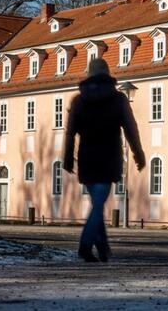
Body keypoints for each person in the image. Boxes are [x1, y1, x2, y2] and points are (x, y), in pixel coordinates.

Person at [64, 58, 146, 263]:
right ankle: (85, 245)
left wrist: (67, 157)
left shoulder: (78, 100)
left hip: (87, 158)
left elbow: (70, 133)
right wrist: (138, 153)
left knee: (97, 203)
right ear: (108, 75)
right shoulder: (118, 99)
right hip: (109, 157)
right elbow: (131, 128)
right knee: (99, 204)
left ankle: (102, 248)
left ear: (89, 75)